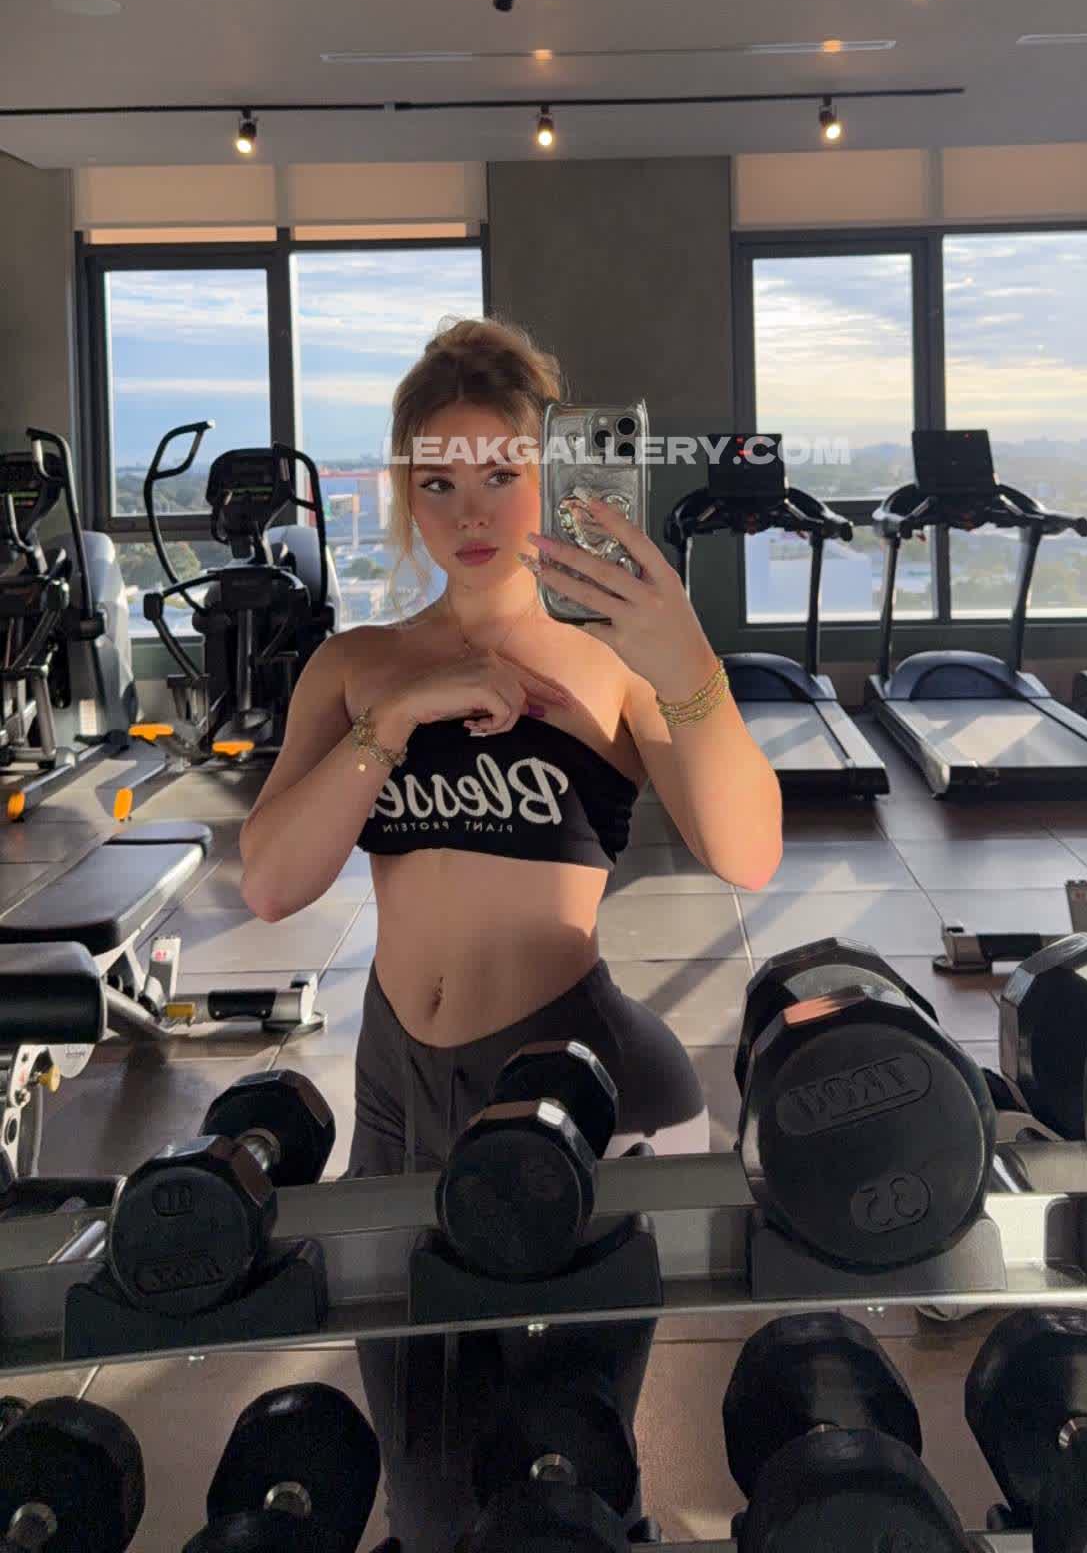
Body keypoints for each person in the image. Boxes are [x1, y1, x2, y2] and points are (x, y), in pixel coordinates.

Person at [239, 316, 783, 1547]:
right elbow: (271, 884)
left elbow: (748, 852)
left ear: (553, 477)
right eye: (439, 481)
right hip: (395, 1086)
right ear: (405, 492)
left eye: (502, 472)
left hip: (571, 1077)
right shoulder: (355, 665)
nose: (471, 509)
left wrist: (688, 661)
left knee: (561, 1461)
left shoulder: (615, 665)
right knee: (424, 1464)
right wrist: (398, 718)